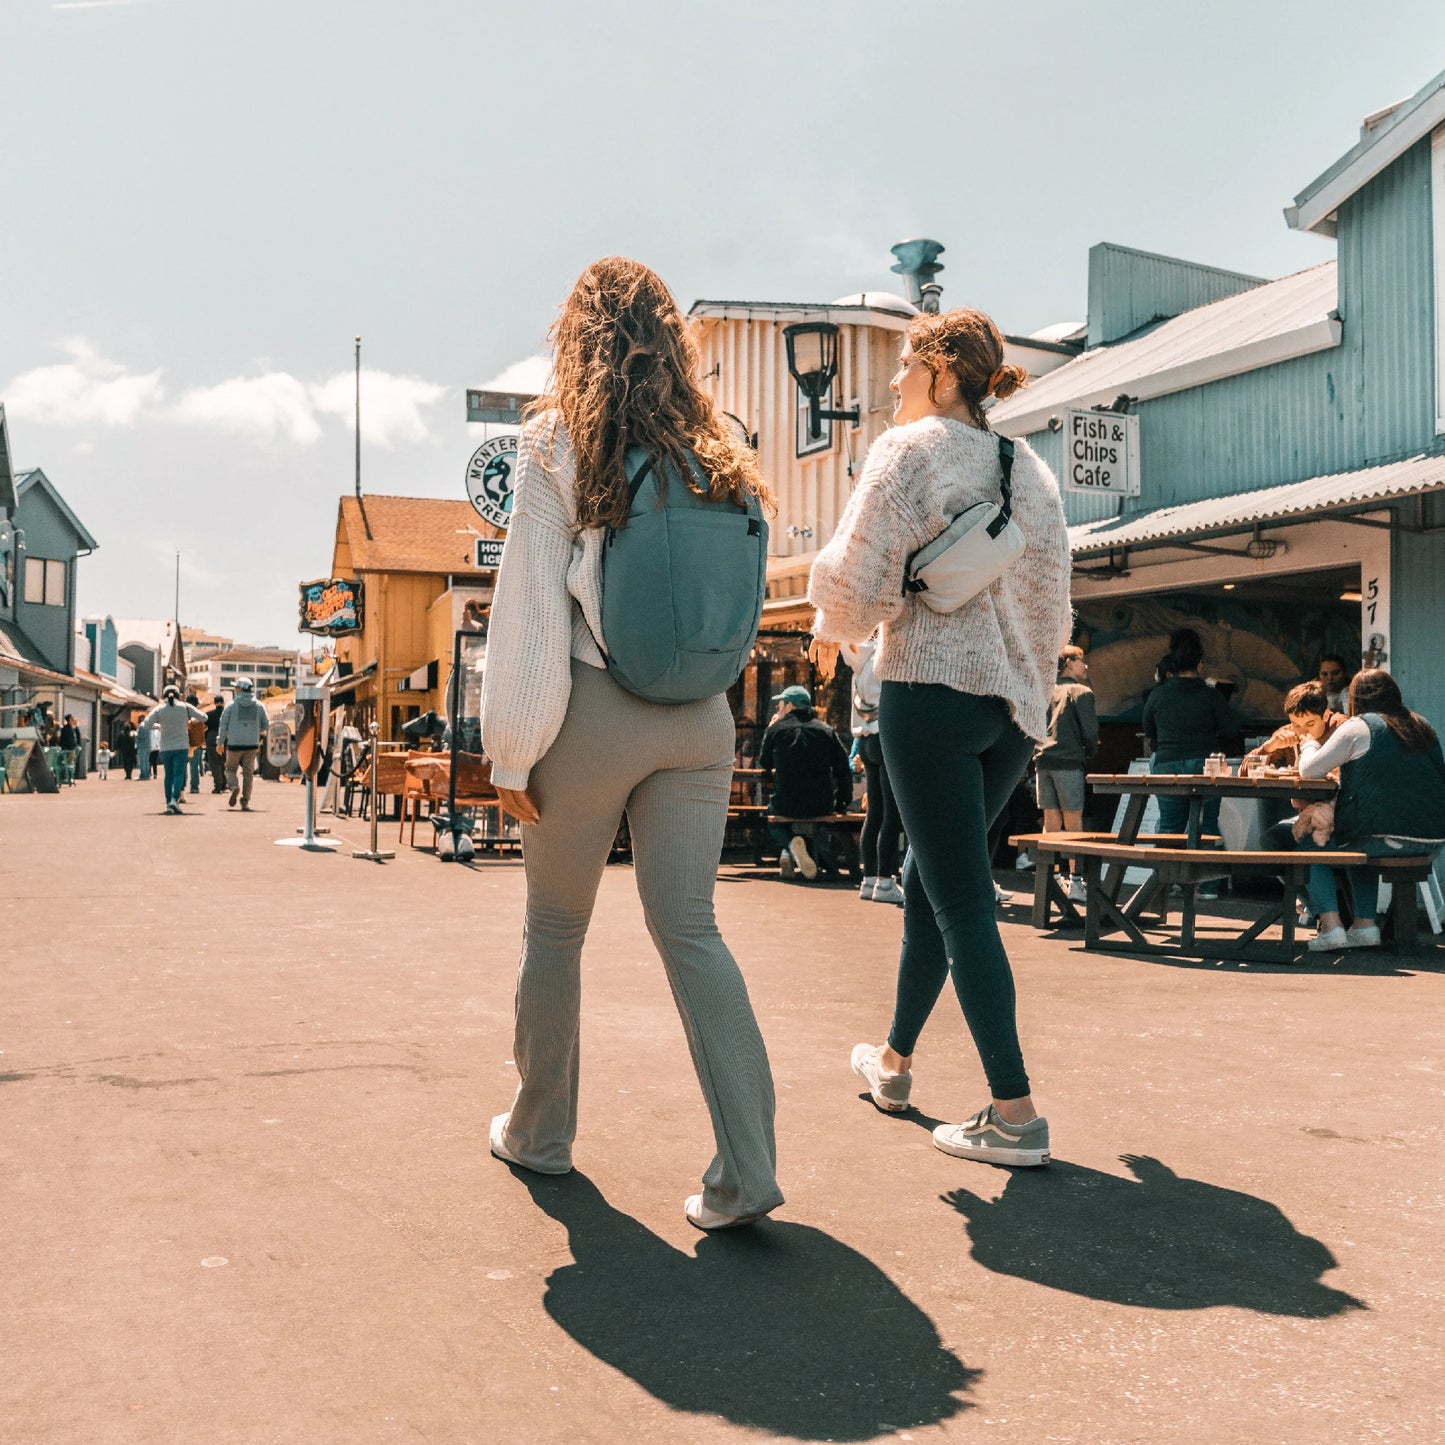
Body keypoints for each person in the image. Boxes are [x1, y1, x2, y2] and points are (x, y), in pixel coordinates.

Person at [480, 255, 783, 1231]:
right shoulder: (721, 447)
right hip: (702, 718)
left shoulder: (556, 441)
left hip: (594, 712)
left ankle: (540, 1132)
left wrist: (511, 752)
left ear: (578, 339)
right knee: (691, 930)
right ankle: (747, 1167)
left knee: (555, 930)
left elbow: (527, 614)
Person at [807, 305, 1073, 1168]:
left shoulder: (906, 452)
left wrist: (829, 624)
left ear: (943, 373)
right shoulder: (1027, 469)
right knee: (931, 881)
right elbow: (1049, 609)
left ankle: (1014, 1113)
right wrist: (1023, 699)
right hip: (1006, 716)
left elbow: (856, 578)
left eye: (905, 366)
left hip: (928, 694)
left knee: (961, 901)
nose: (892, 382)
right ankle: (892, 1063)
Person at [1296, 669, 1445, 952]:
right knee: (1356, 840)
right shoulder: (1421, 725)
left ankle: (1331, 927)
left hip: (1385, 837)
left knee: (1309, 842)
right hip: (1432, 839)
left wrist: (1309, 743)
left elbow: (1309, 770)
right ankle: (1364, 925)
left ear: (1356, 698)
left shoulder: (1359, 727)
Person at [1141, 627, 1240, 840]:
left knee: (1169, 828)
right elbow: (1231, 728)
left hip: (1167, 764)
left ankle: (1168, 873)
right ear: (1200, 663)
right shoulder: (1211, 696)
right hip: (1207, 764)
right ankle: (1206, 873)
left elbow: (1148, 730)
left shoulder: (1158, 695)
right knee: (1207, 828)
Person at [758, 683, 854, 883]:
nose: (778, 708)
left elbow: (764, 762)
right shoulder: (825, 730)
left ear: (790, 706)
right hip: (821, 804)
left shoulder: (776, 730)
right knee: (814, 819)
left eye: (781, 704)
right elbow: (843, 768)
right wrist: (842, 802)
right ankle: (794, 853)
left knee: (772, 822)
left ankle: (790, 844)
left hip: (785, 802)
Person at [841, 637, 904, 904]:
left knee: (875, 812)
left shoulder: (859, 663)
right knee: (893, 814)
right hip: (886, 737)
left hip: (865, 739)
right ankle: (885, 880)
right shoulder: (885, 656)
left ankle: (869, 880)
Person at [1034, 644, 1098, 902]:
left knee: (1050, 822)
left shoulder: (1044, 690)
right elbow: (1090, 731)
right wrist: (1090, 752)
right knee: (1074, 823)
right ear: (1068, 663)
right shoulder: (1081, 691)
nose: (1085, 666)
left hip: (1042, 759)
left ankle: (1051, 878)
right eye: (1081, 660)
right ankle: (1076, 880)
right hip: (1069, 761)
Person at [140, 686, 207, 814]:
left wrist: (159, 725)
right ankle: (174, 800)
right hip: (182, 746)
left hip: (165, 748)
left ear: (164, 695)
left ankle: (168, 802)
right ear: (178, 695)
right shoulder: (185, 707)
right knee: (178, 774)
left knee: (168, 775)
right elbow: (204, 717)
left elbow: (146, 725)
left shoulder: (159, 709)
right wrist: (191, 721)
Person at [218, 678, 268, 810]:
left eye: (236, 688)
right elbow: (265, 725)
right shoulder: (259, 705)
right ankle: (245, 801)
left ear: (240, 689)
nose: (235, 690)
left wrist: (220, 742)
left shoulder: (231, 705)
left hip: (234, 744)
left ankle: (234, 787)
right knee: (248, 774)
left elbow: (223, 725)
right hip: (252, 744)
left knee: (230, 769)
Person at [185, 693, 207, 794]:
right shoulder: (198, 714)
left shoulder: (182, 712)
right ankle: (194, 787)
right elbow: (203, 728)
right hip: (196, 743)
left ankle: (181, 786)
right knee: (194, 766)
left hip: (183, 742)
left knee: (182, 766)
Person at [205, 697, 227, 793]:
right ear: (223, 702)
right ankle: (223, 784)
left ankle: (218, 786)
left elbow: (204, 726)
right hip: (225, 739)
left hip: (211, 738)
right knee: (222, 762)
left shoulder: (209, 714)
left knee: (214, 764)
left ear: (214, 703)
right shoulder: (227, 713)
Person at [136, 713, 154, 781]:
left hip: (142, 746)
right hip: (148, 745)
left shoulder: (142, 726)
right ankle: (147, 774)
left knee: (142, 761)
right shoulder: (148, 725)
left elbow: (142, 736)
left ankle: (143, 775)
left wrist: (136, 735)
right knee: (146, 761)